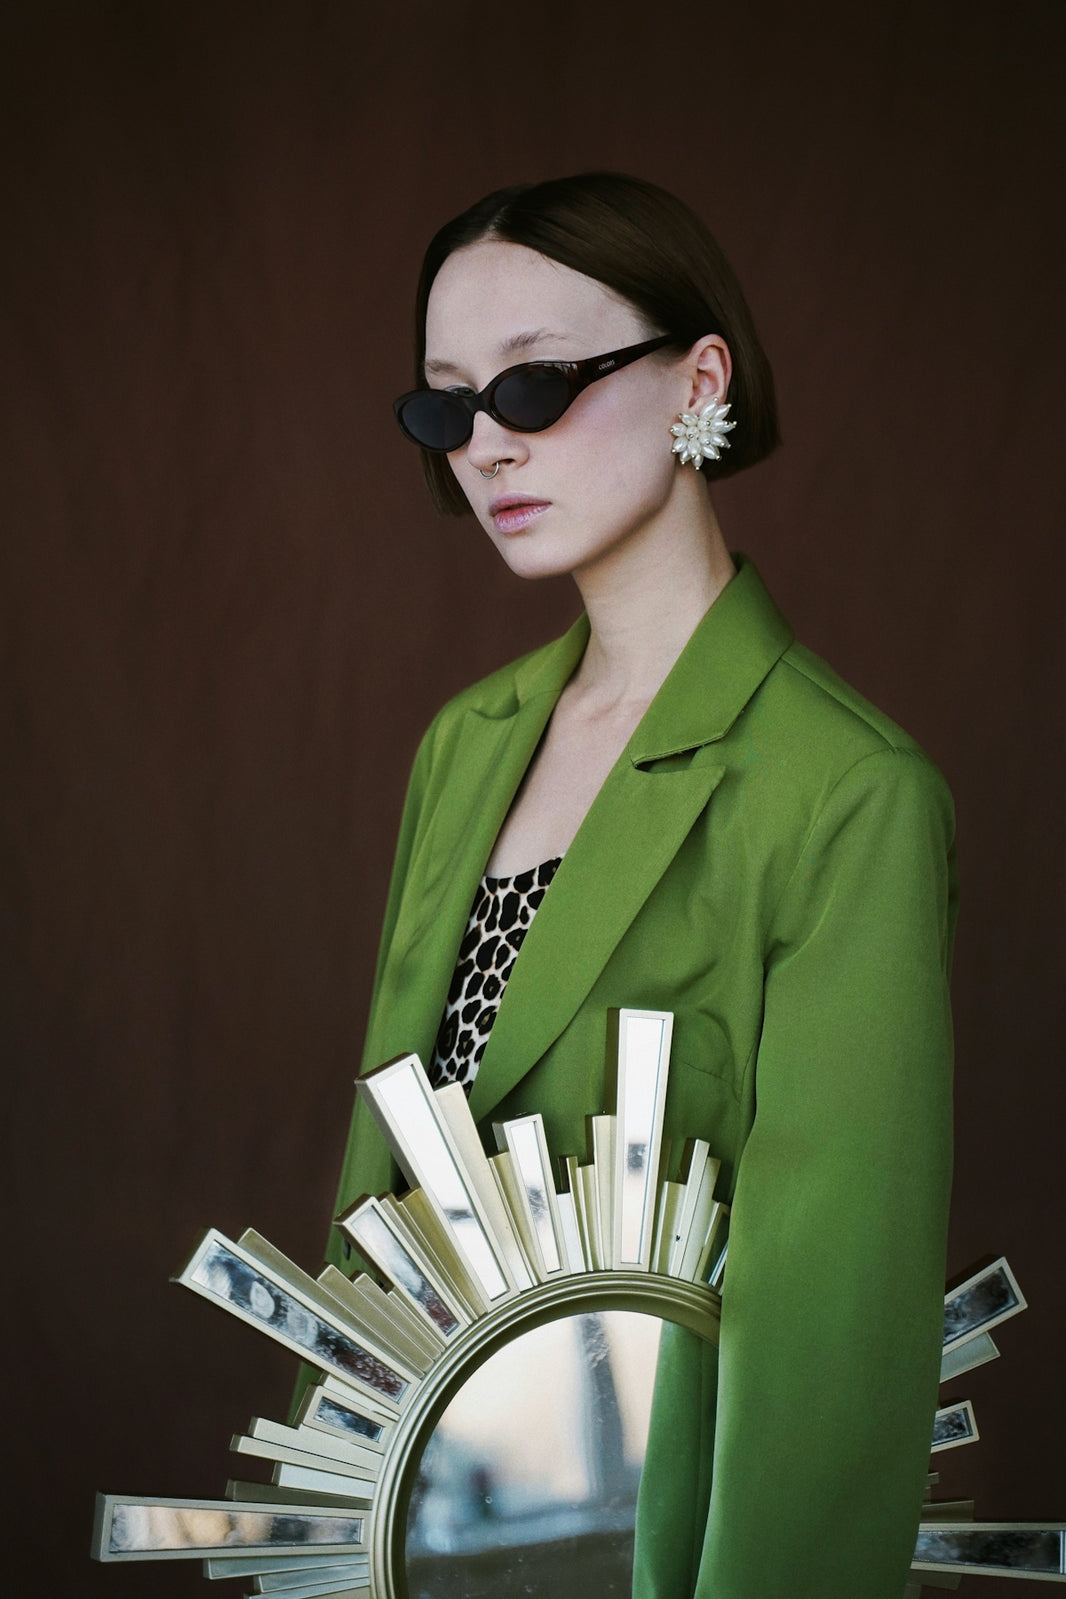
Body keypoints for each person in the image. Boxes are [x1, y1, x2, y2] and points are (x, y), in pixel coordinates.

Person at [324, 173, 956, 1597]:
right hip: (426, 1528)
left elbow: (830, 1348)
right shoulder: (468, 744)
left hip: (659, 1553)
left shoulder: (846, 793)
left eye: (538, 385)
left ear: (700, 377)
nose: (487, 445)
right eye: (446, 406)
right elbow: (386, 1188)